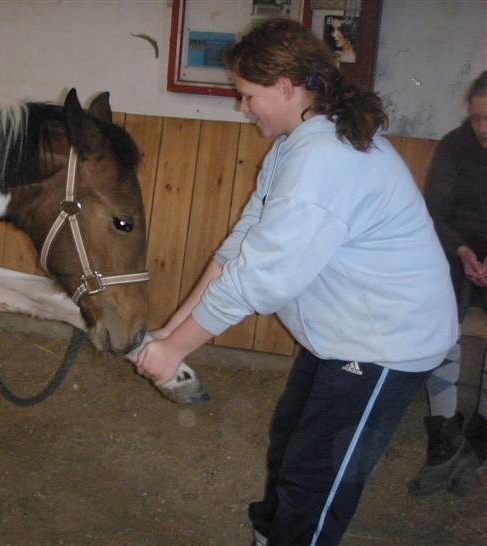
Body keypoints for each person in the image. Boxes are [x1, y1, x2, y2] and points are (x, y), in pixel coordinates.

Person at [135, 18, 458, 546]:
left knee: (318, 478)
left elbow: (260, 281)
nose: (243, 108)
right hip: (341, 333)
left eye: (247, 95)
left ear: (286, 87)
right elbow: (239, 248)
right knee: (289, 446)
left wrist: (177, 349)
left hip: (384, 341)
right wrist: (169, 333)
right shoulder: (297, 144)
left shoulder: (324, 160)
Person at [409, 70, 487, 497]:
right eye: (476, 118)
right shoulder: (455, 147)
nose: (482, 128)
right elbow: (433, 213)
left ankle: (481, 436)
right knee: (438, 317)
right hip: (454, 250)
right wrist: (461, 251)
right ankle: (444, 433)